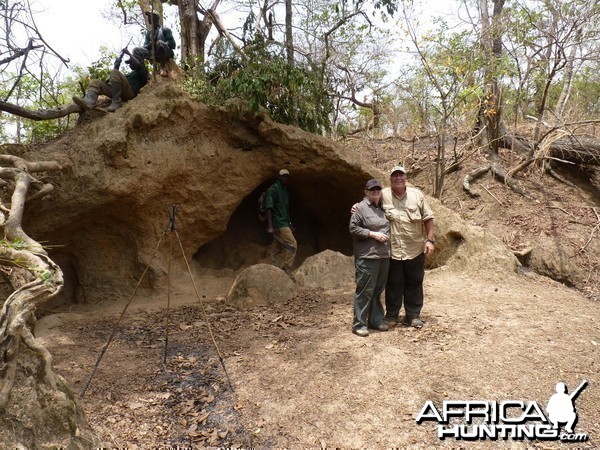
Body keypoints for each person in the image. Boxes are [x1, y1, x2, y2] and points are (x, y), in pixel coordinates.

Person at [382, 166, 435, 329]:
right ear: (390, 179)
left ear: (406, 178)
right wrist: (357, 206)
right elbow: (367, 204)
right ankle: (392, 315)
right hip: (392, 249)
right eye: (395, 176)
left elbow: (428, 217)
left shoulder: (416, 195)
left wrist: (430, 240)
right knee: (393, 283)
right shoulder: (383, 195)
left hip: (415, 248)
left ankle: (413, 316)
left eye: (401, 175)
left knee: (415, 281)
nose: (398, 178)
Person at [349, 179, 391, 337]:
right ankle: (359, 324)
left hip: (383, 256)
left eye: (378, 189)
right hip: (367, 257)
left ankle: (376, 319)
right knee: (365, 291)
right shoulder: (360, 208)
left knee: (377, 290)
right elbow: (353, 228)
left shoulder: (383, 208)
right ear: (366, 191)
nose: (375, 192)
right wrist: (372, 234)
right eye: (372, 189)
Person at [72, 48, 148, 112]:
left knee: (115, 72)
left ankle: (116, 101)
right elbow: (113, 82)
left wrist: (128, 53)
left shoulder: (143, 70)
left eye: (131, 61)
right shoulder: (130, 74)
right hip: (121, 93)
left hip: (130, 93)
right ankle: (89, 101)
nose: (130, 64)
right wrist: (116, 65)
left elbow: (139, 65)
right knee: (96, 82)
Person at [264, 169, 297, 278]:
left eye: (287, 176)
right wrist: (270, 226)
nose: (285, 178)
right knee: (292, 244)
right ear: (278, 176)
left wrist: (290, 223)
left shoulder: (285, 191)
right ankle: (286, 268)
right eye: (283, 176)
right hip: (278, 222)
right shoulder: (273, 189)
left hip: (284, 222)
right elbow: (269, 207)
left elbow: (286, 209)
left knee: (277, 247)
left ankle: (274, 270)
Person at [133, 11, 176, 77]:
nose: (149, 19)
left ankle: (163, 67)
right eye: (149, 17)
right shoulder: (149, 33)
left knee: (160, 43)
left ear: (156, 18)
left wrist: (159, 43)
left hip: (165, 52)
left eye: (151, 17)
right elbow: (145, 46)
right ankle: (143, 72)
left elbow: (172, 44)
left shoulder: (165, 29)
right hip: (153, 53)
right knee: (136, 50)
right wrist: (150, 44)